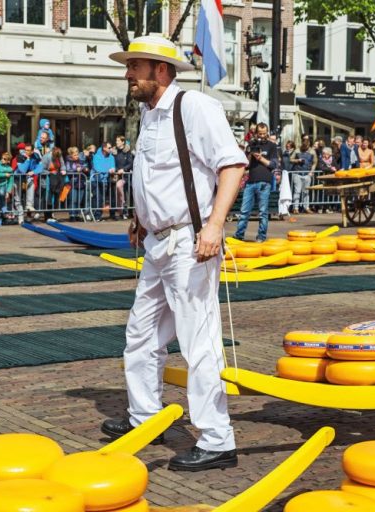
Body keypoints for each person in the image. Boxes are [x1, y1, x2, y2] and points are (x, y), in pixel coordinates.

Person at [102, 35, 248, 471]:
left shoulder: (196, 108)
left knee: (198, 340)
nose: (128, 74)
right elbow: (155, 176)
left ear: (161, 70)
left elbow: (232, 166)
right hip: (157, 241)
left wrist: (215, 226)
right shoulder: (149, 115)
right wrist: (140, 216)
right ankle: (145, 417)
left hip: (190, 243)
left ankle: (218, 439)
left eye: (136, 66)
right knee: (141, 334)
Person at [233, 122, 278, 243]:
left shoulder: (271, 146)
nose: (262, 136)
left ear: (267, 133)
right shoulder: (252, 144)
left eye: (264, 133)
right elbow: (246, 164)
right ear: (256, 133)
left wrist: (261, 158)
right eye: (260, 133)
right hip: (251, 181)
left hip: (264, 181)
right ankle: (239, 235)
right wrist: (250, 154)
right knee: (244, 211)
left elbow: (273, 164)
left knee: (263, 212)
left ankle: (261, 237)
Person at [0, 152, 14, 226]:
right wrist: (5, 174)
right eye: (2, 158)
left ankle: (4, 214)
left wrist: (8, 192)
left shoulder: (10, 169)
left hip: (4, 186)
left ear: (8, 161)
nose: (2, 160)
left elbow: (11, 181)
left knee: (2, 196)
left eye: (4, 159)